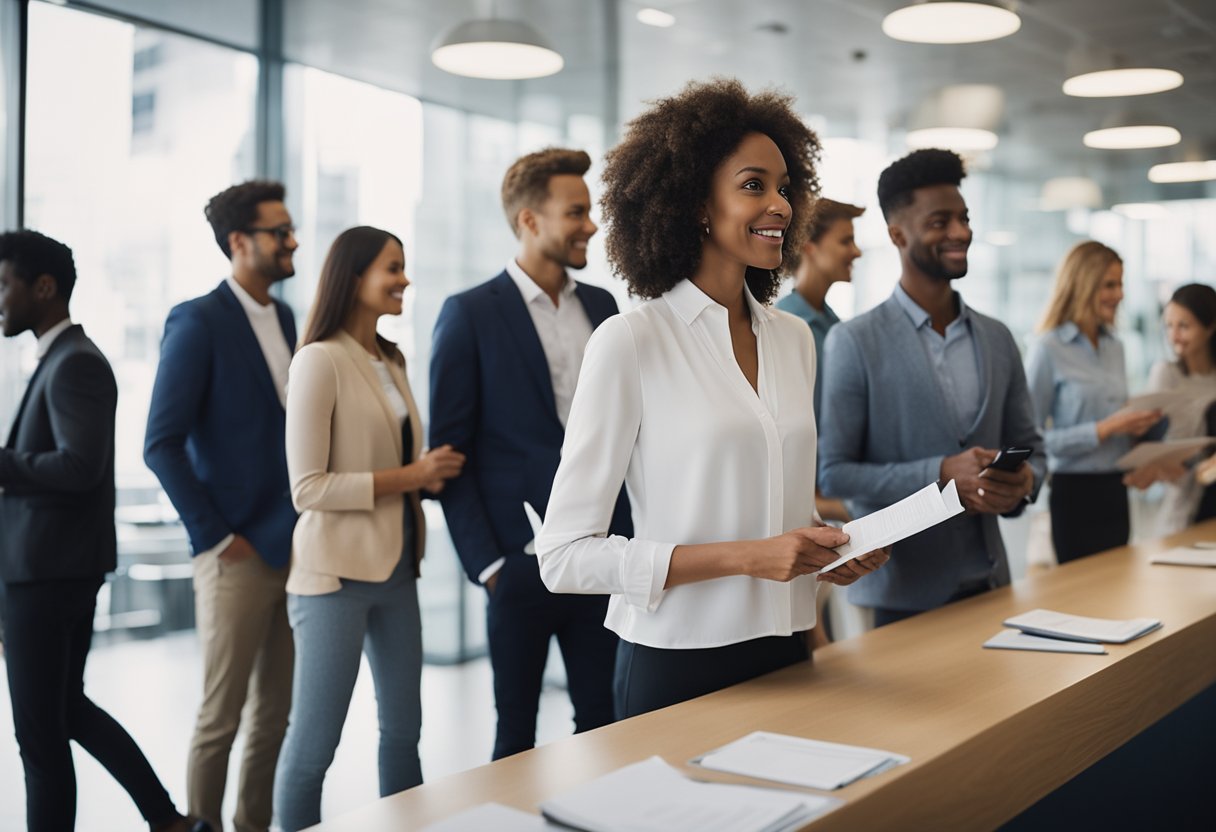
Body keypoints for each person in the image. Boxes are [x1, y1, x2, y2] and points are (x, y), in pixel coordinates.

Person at [534, 79, 888, 720]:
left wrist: (824, 552)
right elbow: (563, 557)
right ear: (695, 201)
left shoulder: (794, 339)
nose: (779, 204)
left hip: (787, 649)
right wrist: (750, 558)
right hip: (677, 662)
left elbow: (776, 500)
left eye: (784, 186)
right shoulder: (630, 341)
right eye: (754, 185)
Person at [0, 230, 206, 832]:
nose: (0, 299)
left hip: (49, 574)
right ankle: (168, 820)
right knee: (66, 712)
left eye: (5, 284)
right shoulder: (62, 360)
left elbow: (79, 466)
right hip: (50, 568)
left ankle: (168, 819)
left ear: (43, 287)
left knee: (40, 738)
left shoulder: (76, 363)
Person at [429, 148, 631, 759]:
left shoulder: (603, 308)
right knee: (514, 736)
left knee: (605, 721)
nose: (591, 225)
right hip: (517, 564)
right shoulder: (468, 314)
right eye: (576, 212)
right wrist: (488, 567)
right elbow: (449, 455)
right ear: (529, 221)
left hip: (601, 552)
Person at [274, 226, 465, 831]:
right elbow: (307, 489)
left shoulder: (391, 358)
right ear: (353, 278)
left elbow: (394, 457)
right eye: (392, 268)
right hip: (334, 580)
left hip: (399, 568)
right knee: (313, 748)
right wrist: (411, 475)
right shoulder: (318, 360)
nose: (404, 279)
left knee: (403, 734)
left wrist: (424, 477)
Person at [818, 149, 1044, 627]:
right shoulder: (854, 341)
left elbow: (1036, 451)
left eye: (963, 218)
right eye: (940, 222)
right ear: (897, 234)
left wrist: (1023, 483)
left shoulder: (998, 338)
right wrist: (941, 472)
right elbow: (834, 473)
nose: (960, 232)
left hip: (991, 584)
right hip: (900, 597)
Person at [144, 181, 298, 832]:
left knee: (275, 715)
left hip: (291, 546)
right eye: (279, 231)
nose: (293, 241)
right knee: (221, 716)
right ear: (239, 242)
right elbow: (161, 443)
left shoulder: (288, 318)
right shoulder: (198, 319)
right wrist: (213, 536)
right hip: (234, 550)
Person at [1025, 241, 1163, 563]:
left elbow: (1118, 422)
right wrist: (1103, 429)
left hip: (1116, 489)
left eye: (1121, 284)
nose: (1119, 295)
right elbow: (1030, 442)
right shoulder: (1048, 348)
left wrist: (1138, 428)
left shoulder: (1116, 346)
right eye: (1109, 285)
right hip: (1074, 494)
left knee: (1118, 594)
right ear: (1082, 285)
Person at [1125, 283, 1216, 534]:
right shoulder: (1165, 373)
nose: (1174, 336)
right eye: (1169, 326)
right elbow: (1152, 438)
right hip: (1185, 503)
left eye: (1184, 326)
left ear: (1210, 326)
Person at [775, 198, 865, 419]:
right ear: (809, 247)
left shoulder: (835, 325)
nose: (856, 252)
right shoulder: (782, 327)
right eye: (846, 241)